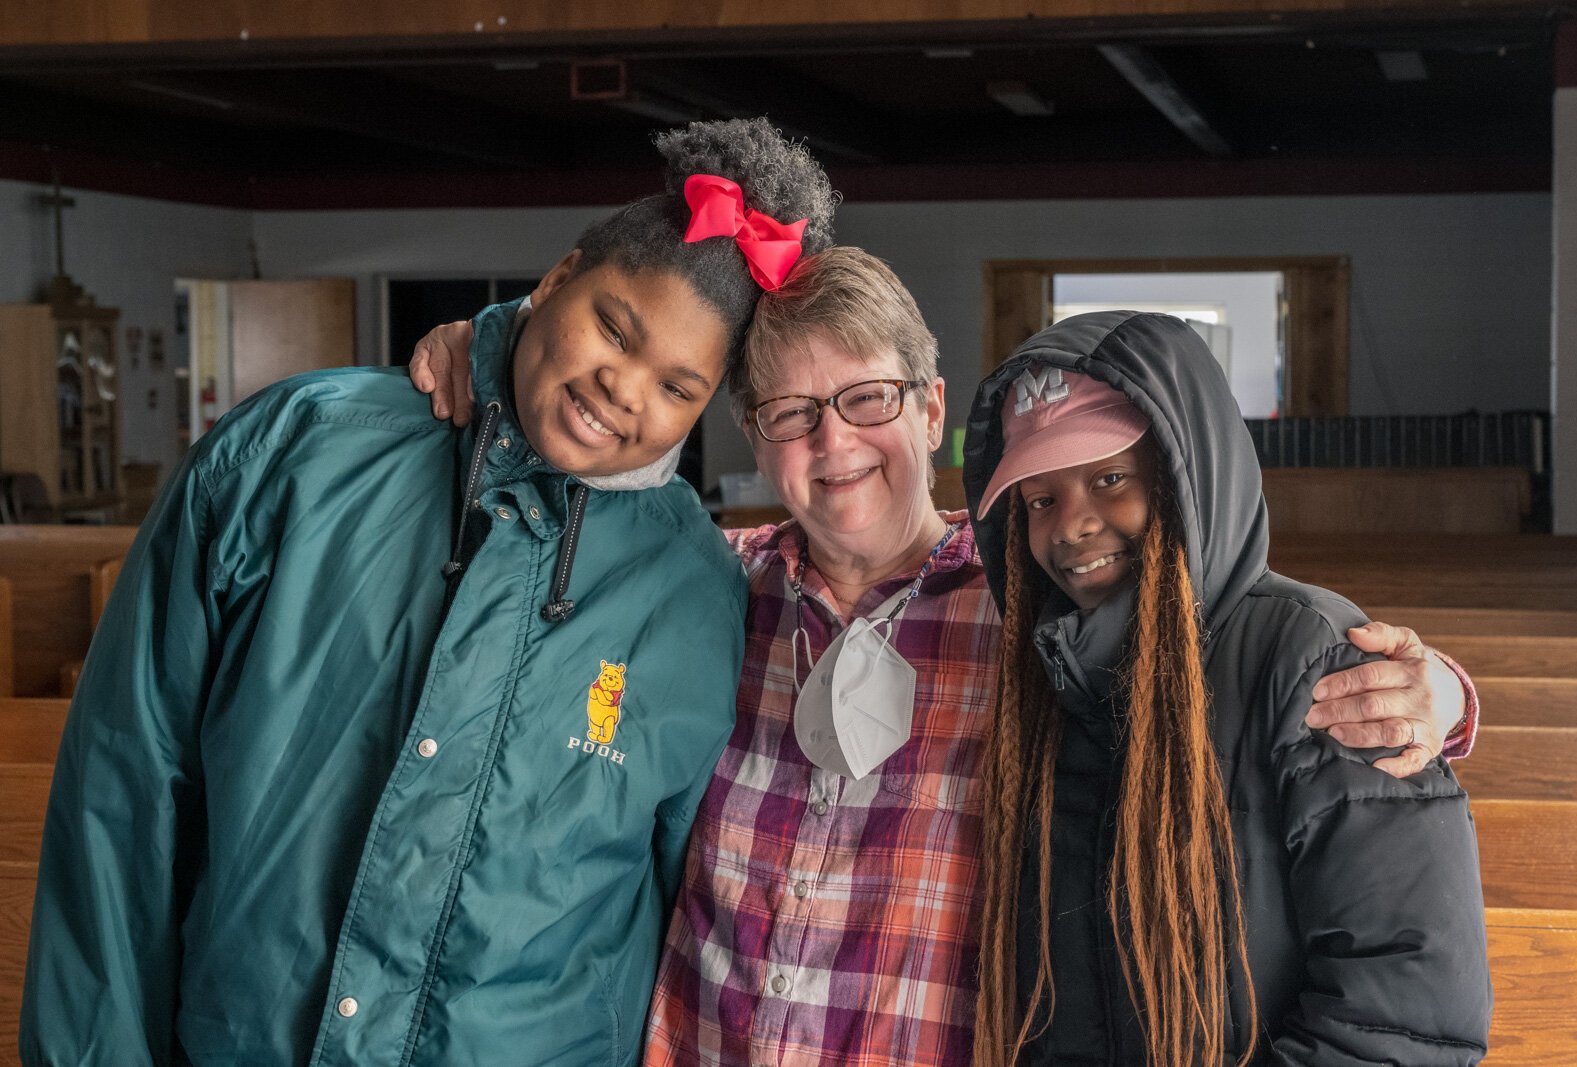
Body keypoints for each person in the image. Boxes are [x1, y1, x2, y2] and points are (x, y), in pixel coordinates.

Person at [408, 251, 1478, 1064]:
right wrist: (500, 351)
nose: (832, 443)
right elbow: (545, 546)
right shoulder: (702, 587)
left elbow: (1219, 650)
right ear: (751, 433)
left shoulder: (1036, 608)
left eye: (866, 398)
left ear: (929, 410)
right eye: (788, 412)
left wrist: (1438, 693)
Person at [20, 117, 836, 1067]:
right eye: (614, 327)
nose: (623, 388)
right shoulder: (293, 454)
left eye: (678, 386)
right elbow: (123, 791)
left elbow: (675, 905)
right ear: (560, 275)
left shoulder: (696, 593)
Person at [965, 311, 1492, 1066]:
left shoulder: (1308, 659)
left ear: (1187, 476)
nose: (1072, 524)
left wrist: (1456, 694)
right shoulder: (1050, 678)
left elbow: (1406, 1016)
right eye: (1040, 499)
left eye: (1109, 478)